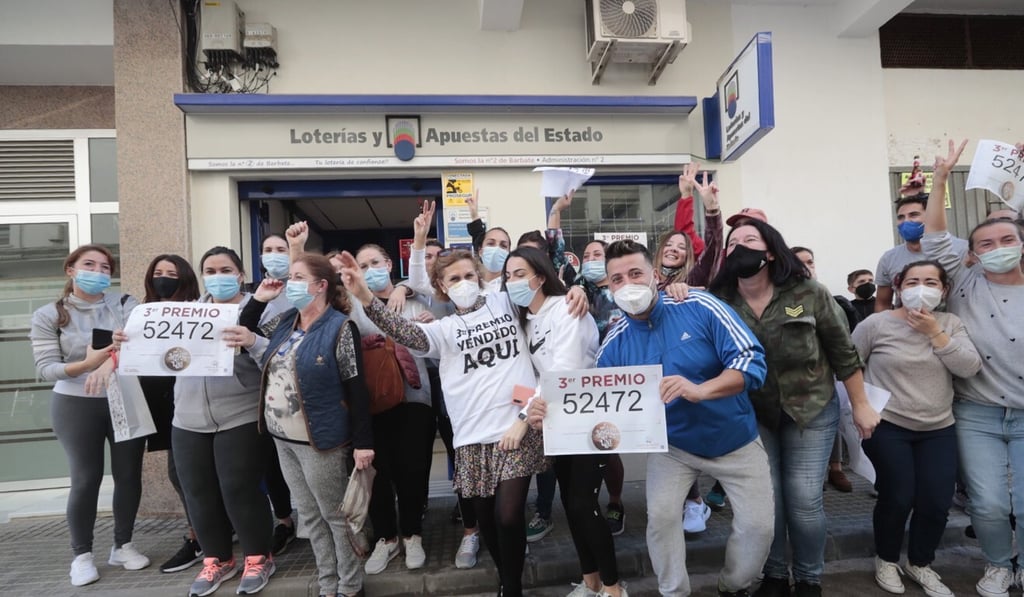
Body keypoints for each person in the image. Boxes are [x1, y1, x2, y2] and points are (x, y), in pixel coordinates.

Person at [335, 240, 547, 597]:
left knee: (508, 516)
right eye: (454, 278)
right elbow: (403, 331)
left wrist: (574, 294)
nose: (463, 282)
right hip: (470, 437)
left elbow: (541, 287)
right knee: (488, 523)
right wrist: (367, 298)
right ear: (442, 287)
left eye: (469, 275)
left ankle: (511, 587)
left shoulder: (505, 302)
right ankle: (506, 578)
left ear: (480, 278)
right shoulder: (443, 329)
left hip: (515, 427)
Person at [563, 239, 773, 597]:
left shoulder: (700, 305)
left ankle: (733, 584)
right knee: (660, 520)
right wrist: (549, 415)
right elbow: (596, 405)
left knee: (759, 529)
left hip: (734, 440)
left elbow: (751, 361)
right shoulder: (613, 343)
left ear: (655, 276)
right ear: (608, 287)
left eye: (635, 273)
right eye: (616, 279)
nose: (626, 284)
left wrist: (700, 389)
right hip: (671, 446)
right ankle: (674, 592)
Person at [709, 221, 880, 597]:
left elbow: (842, 351)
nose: (740, 247)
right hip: (753, 414)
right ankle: (773, 575)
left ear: (770, 251)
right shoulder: (719, 300)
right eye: (733, 243)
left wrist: (861, 405)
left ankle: (807, 578)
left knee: (803, 499)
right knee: (768, 499)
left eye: (749, 241)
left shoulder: (809, 292)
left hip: (811, 409)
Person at [226, 252, 375, 597]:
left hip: (320, 440)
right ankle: (327, 583)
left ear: (320, 285)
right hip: (282, 437)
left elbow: (357, 388)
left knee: (335, 516)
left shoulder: (340, 326)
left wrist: (364, 444)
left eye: (297, 277)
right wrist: (260, 299)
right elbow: (242, 332)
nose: (289, 284)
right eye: (290, 277)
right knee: (309, 516)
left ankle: (350, 585)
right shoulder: (285, 322)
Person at [923, 139, 1024, 597]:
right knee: (986, 503)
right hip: (977, 413)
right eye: (986, 243)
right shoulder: (964, 278)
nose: (997, 247)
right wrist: (941, 179)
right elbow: (934, 236)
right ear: (973, 252)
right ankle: (998, 565)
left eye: (1007, 240)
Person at [852, 259, 981, 597]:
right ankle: (887, 558)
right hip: (888, 424)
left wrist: (934, 333)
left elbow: (968, 367)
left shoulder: (950, 323)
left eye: (930, 282)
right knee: (898, 495)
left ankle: (920, 562)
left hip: (938, 426)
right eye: (911, 282)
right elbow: (848, 365)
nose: (920, 288)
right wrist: (859, 409)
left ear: (944, 290)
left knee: (937, 501)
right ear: (898, 287)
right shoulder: (875, 324)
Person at [503, 246, 626, 597]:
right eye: (508, 276)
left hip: (590, 420)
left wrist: (524, 419)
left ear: (540, 277)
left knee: (582, 504)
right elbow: (528, 374)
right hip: (555, 423)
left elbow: (563, 371)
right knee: (571, 506)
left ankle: (614, 589)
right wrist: (526, 407)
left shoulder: (568, 309)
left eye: (519, 274)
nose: (513, 282)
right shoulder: (527, 320)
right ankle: (590, 582)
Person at [29, 244, 149, 587]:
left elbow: (138, 345)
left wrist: (110, 363)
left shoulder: (125, 304)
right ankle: (81, 555)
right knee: (86, 478)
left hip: (124, 395)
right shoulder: (49, 314)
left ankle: (123, 544)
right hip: (75, 402)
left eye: (104, 267)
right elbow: (47, 368)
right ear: (71, 270)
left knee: (129, 475)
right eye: (89, 265)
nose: (98, 272)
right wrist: (88, 364)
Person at [169, 246, 276, 597]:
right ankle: (217, 559)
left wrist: (254, 340)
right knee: (197, 491)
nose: (218, 276)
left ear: (241, 274)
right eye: (210, 270)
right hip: (187, 417)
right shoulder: (184, 313)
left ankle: (259, 557)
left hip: (240, 412)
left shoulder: (262, 307)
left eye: (226, 269)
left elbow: (278, 356)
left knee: (239, 489)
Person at [351, 242, 436, 575]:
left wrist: (427, 327)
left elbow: (438, 349)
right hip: (370, 401)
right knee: (378, 473)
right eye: (363, 264)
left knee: (412, 470)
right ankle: (387, 538)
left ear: (389, 263)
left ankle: (412, 534)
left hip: (415, 398)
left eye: (375, 261)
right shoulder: (352, 306)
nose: (370, 269)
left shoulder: (417, 300)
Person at [654, 164, 726, 532]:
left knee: (689, 436)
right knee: (665, 440)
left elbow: (713, 247)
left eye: (681, 247)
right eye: (669, 244)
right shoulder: (643, 281)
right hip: (652, 369)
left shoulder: (693, 281)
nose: (674, 248)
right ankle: (691, 500)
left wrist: (708, 208)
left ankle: (702, 498)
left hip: (690, 369)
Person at [140, 255, 205, 573]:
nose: (164, 278)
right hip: (164, 404)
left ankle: (201, 536)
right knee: (180, 475)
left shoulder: (200, 311)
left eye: (172, 273)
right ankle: (203, 532)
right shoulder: (142, 313)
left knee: (189, 474)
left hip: (198, 402)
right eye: (158, 273)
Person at [792, 246, 857, 494]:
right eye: (798, 262)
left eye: (810, 261)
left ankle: (835, 468)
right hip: (791, 392)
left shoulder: (828, 299)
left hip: (823, 386)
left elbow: (845, 349)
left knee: (832, 422)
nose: (806, 267)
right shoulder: (781, 302)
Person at [574, 239, 629, 534]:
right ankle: (603, 504)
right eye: (586, 254)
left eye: (597, 254)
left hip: (624, 380)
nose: (591, 258)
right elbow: (557, 256)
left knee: (614, 445)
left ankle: (691, 499)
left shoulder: (625, 290)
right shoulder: (581, 289)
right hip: (589, 379)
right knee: (599, 445)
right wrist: (555, 212)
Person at [257, 233, 299, 554]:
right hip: (264, 394)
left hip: (301, 393)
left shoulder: (300, 290)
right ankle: (284, 520)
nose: (274, 255)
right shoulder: (254, 298)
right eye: (268, 250)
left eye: (280, 250)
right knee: (272, 463)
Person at [874, 193, 969, 312]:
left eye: (913, 215)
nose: (906, 221)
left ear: (931, 217)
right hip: (907, 327)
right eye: (901, 217)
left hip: (953, 327)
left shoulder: (963, 250)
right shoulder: (889, 258)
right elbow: (882, 303)